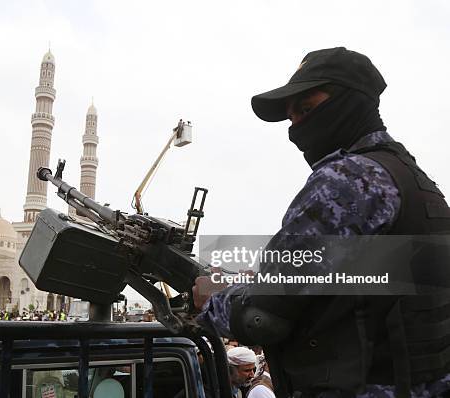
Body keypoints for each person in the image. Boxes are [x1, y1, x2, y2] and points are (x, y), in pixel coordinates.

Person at [193, 47, 450, 396]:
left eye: (307, 108)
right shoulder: (416, 183)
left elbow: (263, 315)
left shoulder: (348, 179)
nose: (297, 127)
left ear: (350, 101)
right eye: (291, 116)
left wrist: (211, 297)